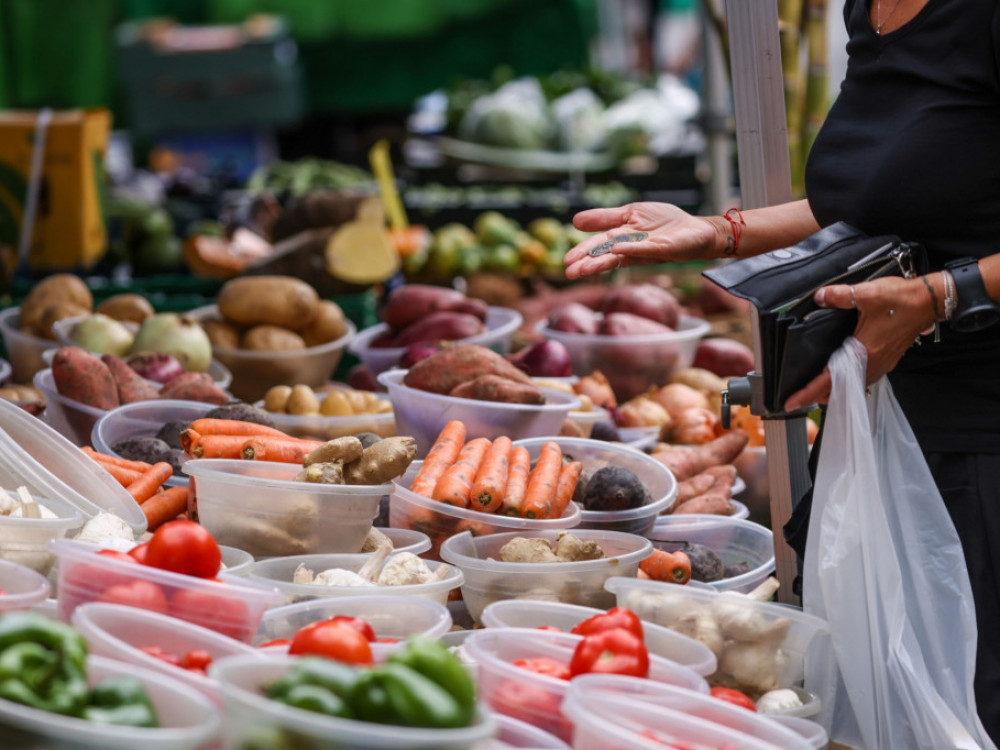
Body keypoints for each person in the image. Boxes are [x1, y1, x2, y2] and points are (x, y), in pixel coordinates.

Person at [563, 0, 1000, 741]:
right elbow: (876, 197)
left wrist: (942, 295)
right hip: (895, 415)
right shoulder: (872, 12)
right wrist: (719, 233)